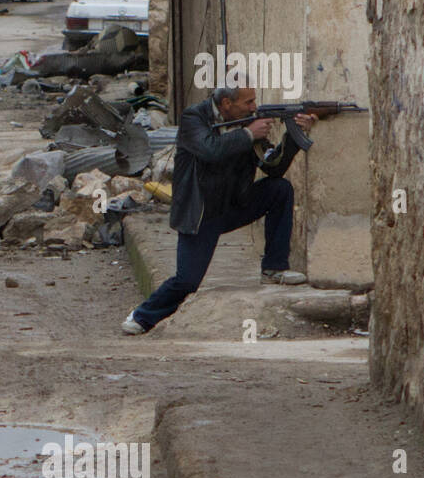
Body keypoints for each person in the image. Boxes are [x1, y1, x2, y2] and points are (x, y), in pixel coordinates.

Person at [122, 87, 316, 335]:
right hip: (201, 213)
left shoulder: (247, 121)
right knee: (187, 281)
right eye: (248, 102)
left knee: (280, 189)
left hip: (234, 205)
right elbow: (210, 150)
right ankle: (142, 316)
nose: (254, 107)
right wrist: (247, 134)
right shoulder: (194, 117)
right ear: (226, 103)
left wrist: (294, 134)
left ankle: (274, 268)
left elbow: (272, 166)